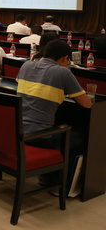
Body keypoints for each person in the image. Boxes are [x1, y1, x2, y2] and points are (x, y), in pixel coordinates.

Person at [17, 40, 92, 187]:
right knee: (79, 138)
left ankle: (50, 176)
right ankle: (59, 183)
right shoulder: (63, 72)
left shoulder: (26, 65)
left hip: (18, 130)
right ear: (65, 58)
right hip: (39, 136)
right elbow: (87, 104)